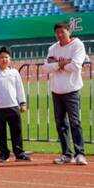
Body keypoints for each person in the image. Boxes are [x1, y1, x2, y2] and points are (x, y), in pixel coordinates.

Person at [42, 22, 87, 165]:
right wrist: (60, 64)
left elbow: (76, 66)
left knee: (75, 122)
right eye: (57, 32)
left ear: (69, 31)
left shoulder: (77, 45)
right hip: (56, 90)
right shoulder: (53, 48)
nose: (60, 35)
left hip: (72, 90)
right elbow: (46, 68)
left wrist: (57, 64)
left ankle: (80, 153)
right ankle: (67, 154)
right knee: (61, 123)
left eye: (63, 31)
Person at [0, 47, 30, 163]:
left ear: (10, 59)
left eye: (6, 57)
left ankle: (19, 153)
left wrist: (23, 103)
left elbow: (19, 88)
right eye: (1, 57)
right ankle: (4, 154)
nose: (4, 59)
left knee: (17, 131)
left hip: (13, 107)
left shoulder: (14, 72)